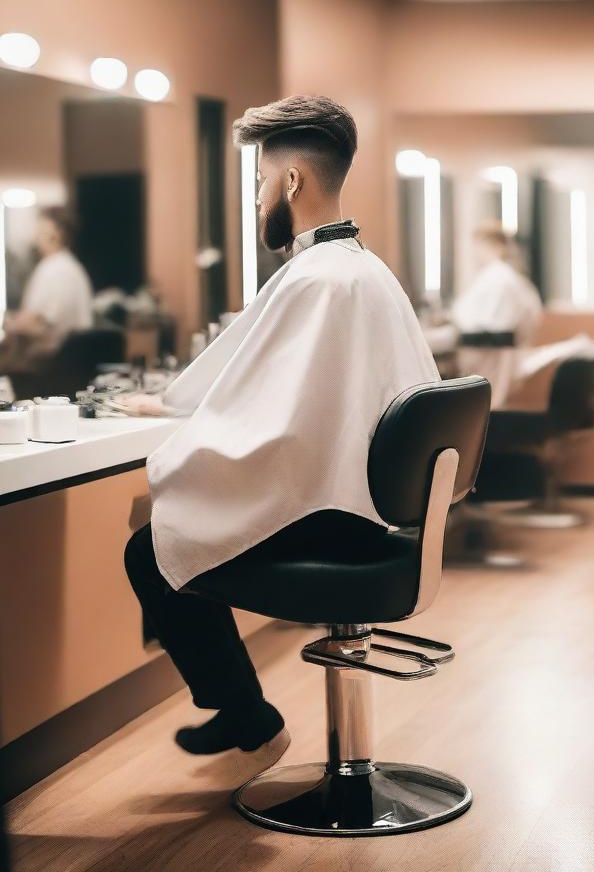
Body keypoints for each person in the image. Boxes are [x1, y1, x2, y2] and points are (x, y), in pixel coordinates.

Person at [122, 96, 440, 772]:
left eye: (261, 180)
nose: (258, 197)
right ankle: (243, 713)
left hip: (345, 524)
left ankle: (247, 715)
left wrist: (176, 462)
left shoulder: (317, 279)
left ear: (291, 182)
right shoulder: (360, 268)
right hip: (381, 514)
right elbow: (276, 391)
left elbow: (269, 423)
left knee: (151, 545)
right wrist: (184, 407)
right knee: (169, 521)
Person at [7, 208, 93, 355]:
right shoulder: (67, 266)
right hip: (66, 357)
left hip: (55, 361)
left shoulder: (58, 270)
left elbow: (45, 323)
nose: (35, 237)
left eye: (41, 231)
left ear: (56, 234)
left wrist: (15, 324)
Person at [451, 222, 543, 345]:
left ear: (495, 246)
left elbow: (482, 321)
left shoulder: (498, 276)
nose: (474, 253)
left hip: (489, 349)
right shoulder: (504, 274)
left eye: (477, 246)